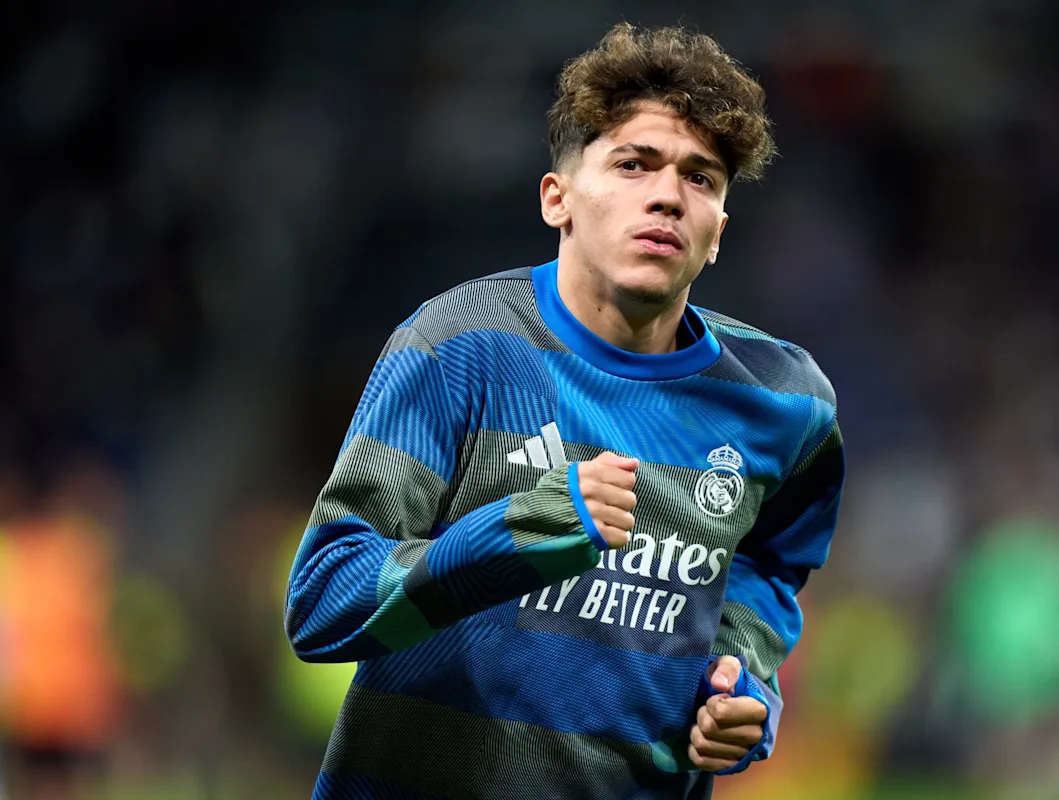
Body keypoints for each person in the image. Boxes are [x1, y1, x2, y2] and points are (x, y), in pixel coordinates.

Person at [285, 22, 845, 800]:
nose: (667, 196)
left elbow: (766, 566)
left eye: (701, 178)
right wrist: (514, 536)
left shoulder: (785, 401)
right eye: (633, 164)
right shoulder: (459, 346)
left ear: (718, 232)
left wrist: (741, 681)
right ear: (559, 199)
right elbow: (321, 603)